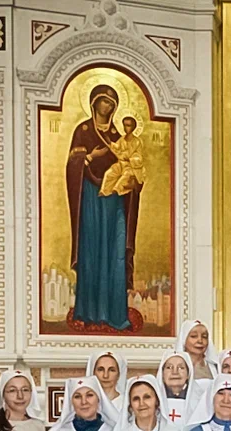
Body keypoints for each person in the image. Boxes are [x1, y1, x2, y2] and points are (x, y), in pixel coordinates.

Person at [66, 85, 141, 331]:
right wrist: (91, 157)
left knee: (115, 249)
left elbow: (131, 166)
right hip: (90, 195)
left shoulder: (119, 137)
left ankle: (115, 314)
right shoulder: (83, 131)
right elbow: (73, 165)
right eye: (103, 101)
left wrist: (134, 181)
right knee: (91, 248)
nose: (106, 107)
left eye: (111, 103)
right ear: (94, 103)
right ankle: (89, 313)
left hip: (114, 198)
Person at [157, 351, 200, 431]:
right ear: (162, 374)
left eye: (181, 368)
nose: (175, 372)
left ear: (188, 374)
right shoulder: (153, 401)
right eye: (169, 367)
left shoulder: (200, 401)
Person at [86, 351, 128, 421]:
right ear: (93, 372)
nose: (105, 375)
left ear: (119, 374)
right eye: (100, 369)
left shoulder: (127, 403)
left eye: (112, 370)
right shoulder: (83, 402)